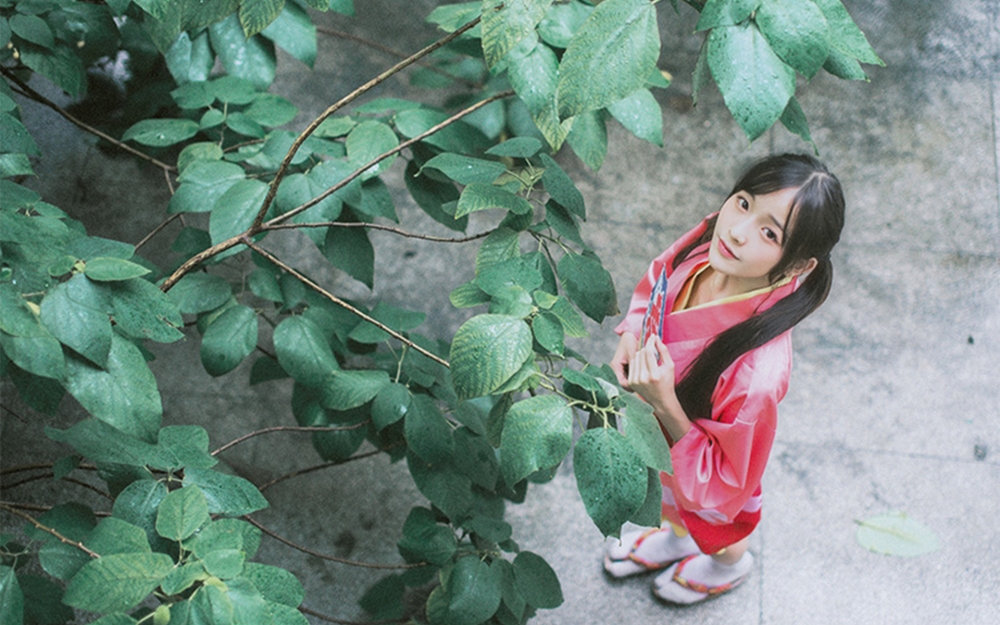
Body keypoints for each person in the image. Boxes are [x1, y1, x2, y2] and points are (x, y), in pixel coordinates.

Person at [603, 153, 845, 604]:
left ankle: (726, 567)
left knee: (718, 528)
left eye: (769, 232)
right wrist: (633, 332)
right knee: (669, 499)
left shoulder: (757, 376)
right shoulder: (711, 243)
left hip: (701, 459)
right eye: (743, 202)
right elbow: (660, 276)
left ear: (798, 266)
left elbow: (724, 487)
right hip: (666, 440)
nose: (736, 229)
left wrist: (664, 404)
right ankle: (676, 540)